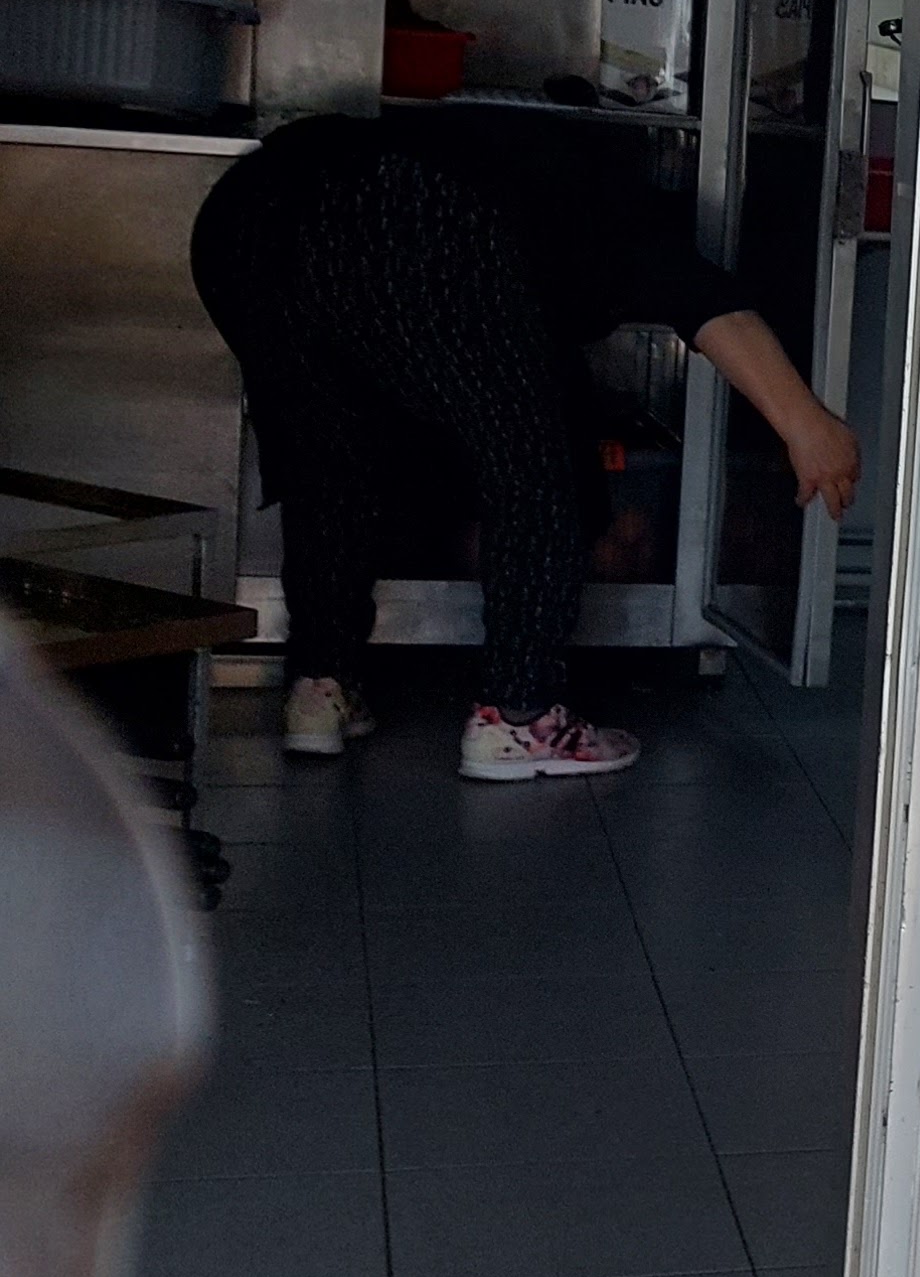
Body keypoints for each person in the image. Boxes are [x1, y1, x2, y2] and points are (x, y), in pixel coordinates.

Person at [190, 112, 860, 785]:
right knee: (531, 468)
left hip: (243, 220)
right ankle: (520, 717)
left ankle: (319, 689)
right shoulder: (611, 217)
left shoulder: (527, 203)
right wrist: (807, 424)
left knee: (326, 455)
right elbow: (706, 303)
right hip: (399, 215)